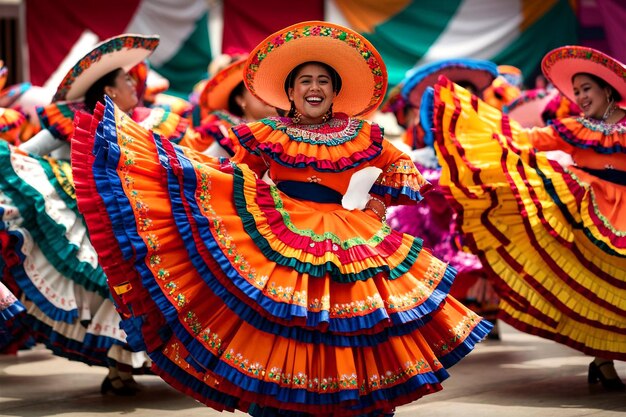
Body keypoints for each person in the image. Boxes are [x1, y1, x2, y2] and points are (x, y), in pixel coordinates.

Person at [71, 21, 492, 416]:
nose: (314, 87)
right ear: (290, 92)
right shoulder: (266, 133)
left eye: (323, 81)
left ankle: (352, 402)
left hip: (350, 236)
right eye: (305, 81)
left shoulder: (364, 134)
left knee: (350, 324)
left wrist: (375, 209)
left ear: (335, 92)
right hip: (282, 233)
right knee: (290, 323)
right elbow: (232, 178)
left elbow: (399, 168)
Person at [425, 45, 626, 391]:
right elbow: (524, 139)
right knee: (589, 277)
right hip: (585, 208)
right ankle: (603, 358)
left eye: (586, 89)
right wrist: (473, 124)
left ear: (607, 89)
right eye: (576, 92)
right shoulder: (573, 127)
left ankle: (604, 357)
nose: (579, 97)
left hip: (621, 210)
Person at [0, 34, 185, 396]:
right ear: (111, 91)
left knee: (146, 292)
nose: (135, 84)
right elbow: (24, 155)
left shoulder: (151, 123)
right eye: (127, 80)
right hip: (95, 227)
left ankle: (128, 368)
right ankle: (121, 369)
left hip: (146, 226)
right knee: (115, 292)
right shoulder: (78, 122)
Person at [385, 59, 502, 340]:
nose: (460, 102)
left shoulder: (493, 135)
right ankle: (440, 311)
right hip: (440, 193)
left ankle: (487, 308)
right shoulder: (429, 136)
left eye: (467, 95)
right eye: (454, 95)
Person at [179, 56, 278, 157]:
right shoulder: (225, 134)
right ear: (240, 99)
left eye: (273, 88)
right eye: (258, 89)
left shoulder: (288, 132)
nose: (268, 95)